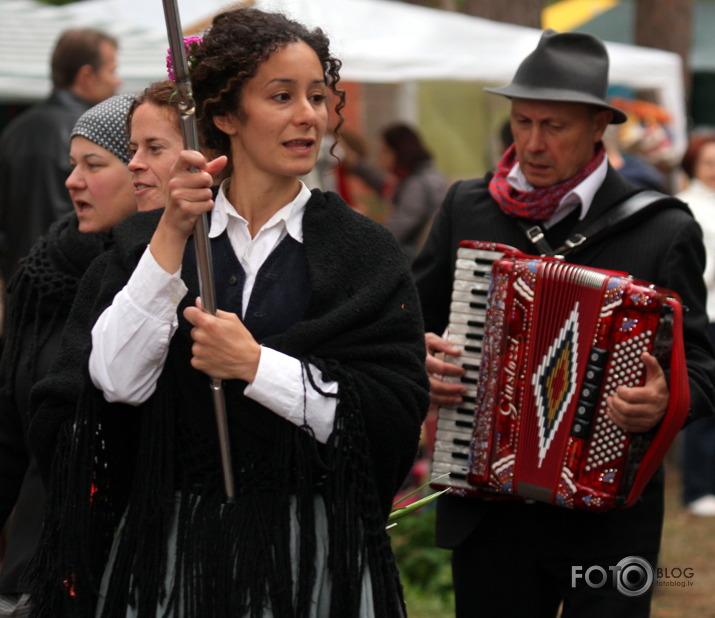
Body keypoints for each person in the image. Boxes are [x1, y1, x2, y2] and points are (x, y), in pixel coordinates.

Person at [27, 8, 429, 617]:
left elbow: (388, 416)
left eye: (318, 96)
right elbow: (111, 381)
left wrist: (256, 366)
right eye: (280, 95)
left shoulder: (364, 253)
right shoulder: (147, 240)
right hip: (171, 550)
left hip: (309, 552)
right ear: (223, 116)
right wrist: (171, 231)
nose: (308, 116)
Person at [413, 30, 715, 617]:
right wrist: (422, 362)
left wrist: (664, 399)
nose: (531, 142)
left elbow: (702, 367)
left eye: (554, 126)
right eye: (523, 122)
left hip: (609, 523)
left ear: (599, 124)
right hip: (489, 514)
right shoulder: (469, 206)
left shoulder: (662, 228)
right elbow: (404, 326)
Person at [0, 81, 185, 618]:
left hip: (126, 568)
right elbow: (13, 430)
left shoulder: (173, 278)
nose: (72, 181)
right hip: (34, 567)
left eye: (94, 164)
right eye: (73, 164)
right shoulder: (45, 275)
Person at [0, 28, 121, 286]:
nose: (117, 81)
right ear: (87, 75)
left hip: (19, 282)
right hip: (72, 282)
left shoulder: (14, 130)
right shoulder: (94, 135)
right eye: (111, 70)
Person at [676, 132, 715, 516]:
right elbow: (690, 273)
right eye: (709, 163)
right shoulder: (688, 207)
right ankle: (698, 486)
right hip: (706, 315)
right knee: (704, 403)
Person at [348, 123, 448, 261]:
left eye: (384, 152)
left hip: (415, 265)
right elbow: (385, 185)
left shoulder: (418, 185)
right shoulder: (421, 176)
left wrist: (360, 224)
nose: (379, 160)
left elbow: (393, 234)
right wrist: (356, 165)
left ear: (399, 152)